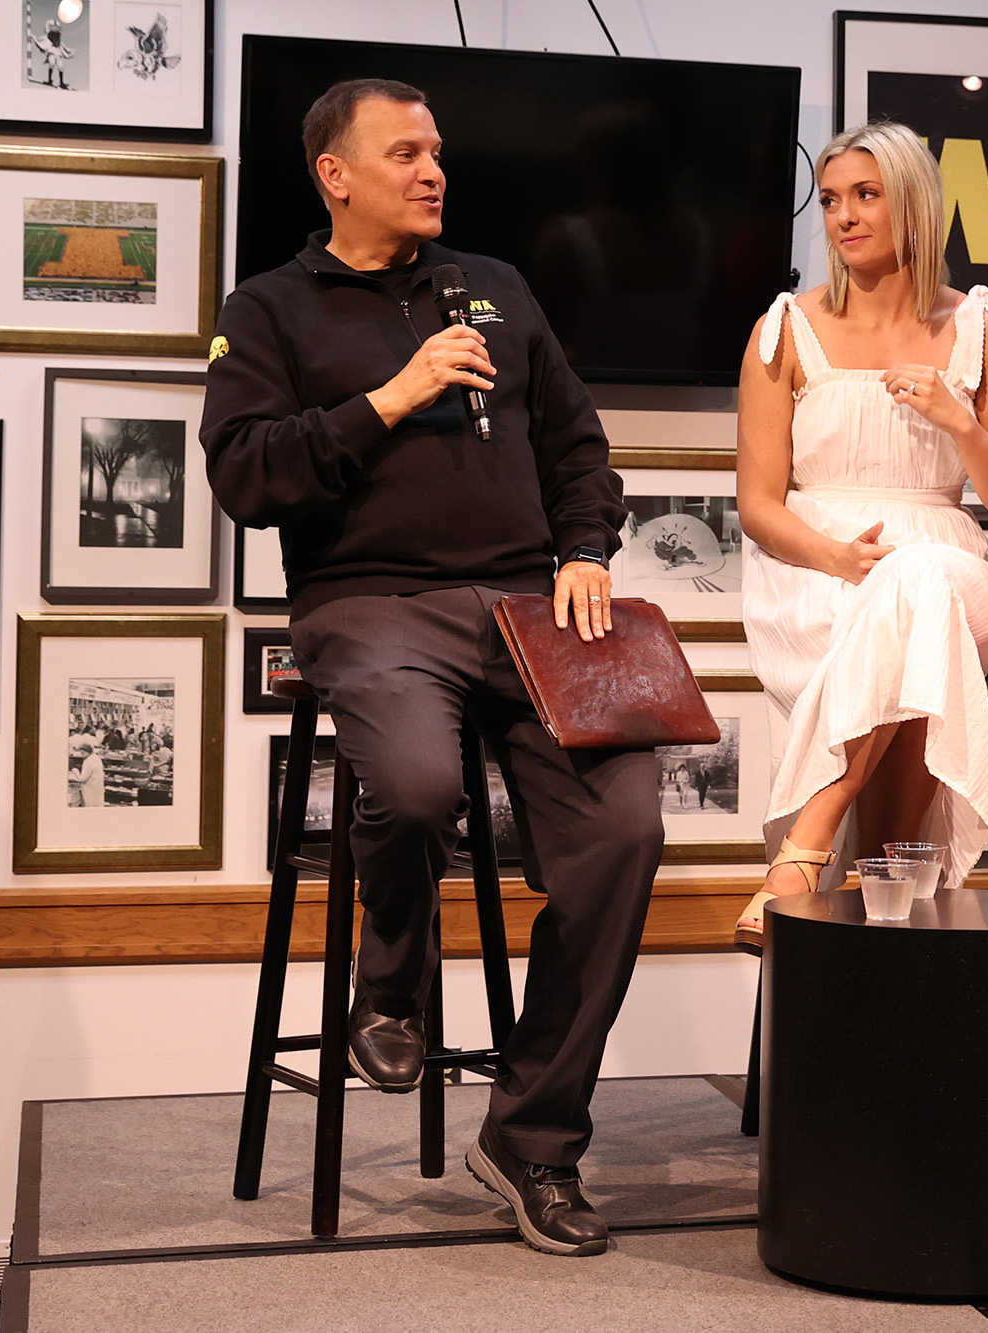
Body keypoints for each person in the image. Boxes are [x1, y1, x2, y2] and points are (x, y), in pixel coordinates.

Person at [201, 78, 663, 1259]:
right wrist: (387, 400)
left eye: (437, 151)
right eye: (403, 152)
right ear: (334, 174)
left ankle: (531, 1140)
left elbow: (575, 443)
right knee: (412, 787)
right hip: (371, 602)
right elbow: (246, 479)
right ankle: (392, 985)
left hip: (526, 604)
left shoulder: (495, 290)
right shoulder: (268, 313)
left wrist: (583, 548)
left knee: (623, 833)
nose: (432, 169)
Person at [734, 121, 988, 949]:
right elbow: (760, 504)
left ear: (915, 203)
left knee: (921, 578)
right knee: (889, 854)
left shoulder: (985, 330)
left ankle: (808, 837)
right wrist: (838, 557)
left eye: (865, 195)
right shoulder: (783, 329)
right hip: (815, 575)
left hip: (948, 571)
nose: (843, 216)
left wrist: (959, 421)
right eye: (832, 200)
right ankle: (869, 1035)